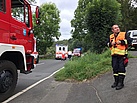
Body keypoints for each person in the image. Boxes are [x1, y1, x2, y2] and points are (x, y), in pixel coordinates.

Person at [107, 24, 132, 90]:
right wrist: (110, 44)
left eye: (117, 27)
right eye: (115, 28)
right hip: (114, 55)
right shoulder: (111, 36)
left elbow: (129, 41)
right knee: (115, 68)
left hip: (122, 55)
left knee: (121, 69)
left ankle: (121, 83)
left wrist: (121, 42)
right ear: (112, 30)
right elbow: (107, 43)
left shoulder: (124, 34)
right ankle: (116, 82)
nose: (117, 28)